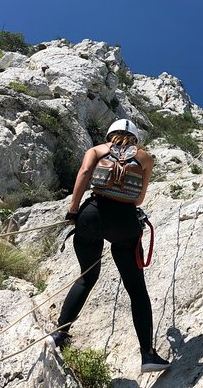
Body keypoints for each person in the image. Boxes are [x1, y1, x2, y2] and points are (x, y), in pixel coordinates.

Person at [46, 118, 171, 373]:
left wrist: (73, 211)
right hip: (124, 220)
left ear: (110, 134)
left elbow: (83, 175)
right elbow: (138, 199)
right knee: (136, 289)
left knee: (86, 278)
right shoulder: (145, 158)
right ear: (134, 137)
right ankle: (147, 354)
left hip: (92, 214)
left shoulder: (96, 151)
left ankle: (60, 333)